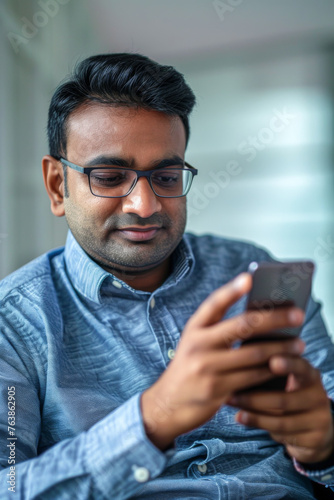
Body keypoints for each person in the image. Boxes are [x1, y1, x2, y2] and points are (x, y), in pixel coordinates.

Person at [0, 53, 334, 500]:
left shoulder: (254, 273)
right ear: (58, 185)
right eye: (110, 176)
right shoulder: (13, 324)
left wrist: (323, 445)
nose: (145, 205)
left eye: (166, 175)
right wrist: (152, 417)